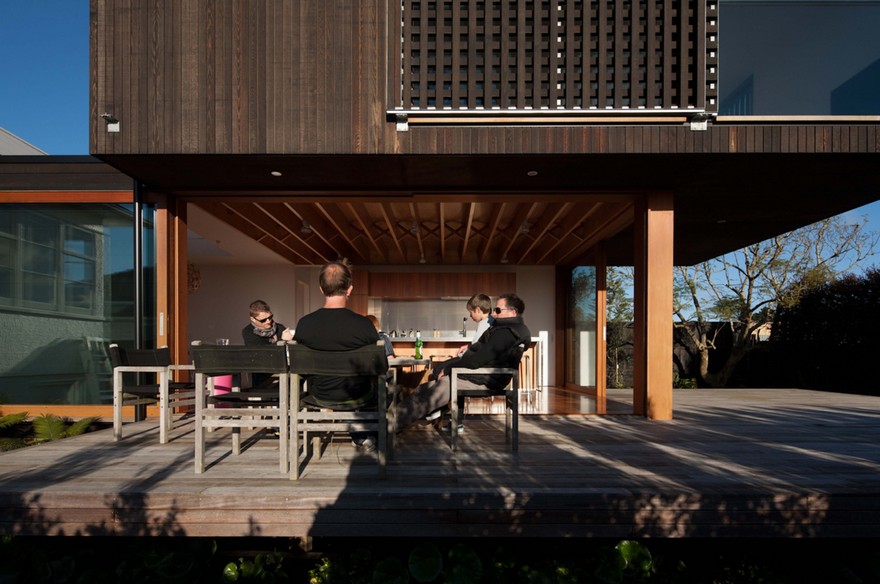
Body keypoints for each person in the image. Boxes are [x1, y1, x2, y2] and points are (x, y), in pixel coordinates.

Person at [393, 293, 531, 433]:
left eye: (498, 310)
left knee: (440, 388)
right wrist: (463, 354)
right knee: (424, 388)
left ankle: (390, 426)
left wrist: (449, 368)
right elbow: (481, 350)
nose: (493, 314)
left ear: (513, 312)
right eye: (494, 309)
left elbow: (479, 359)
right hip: (479, 373)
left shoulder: (507, 333)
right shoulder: (501, 329)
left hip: (486, 378)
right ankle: (392, 420)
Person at [293, 260, 381, 451]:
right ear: (349, 289)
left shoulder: (304, 324)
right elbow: (379, 367)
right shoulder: (364, 325)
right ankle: (369, 435)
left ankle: (362, 435)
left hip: (319, 395)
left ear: (321, 288)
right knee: (386, 389)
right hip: (359, 395)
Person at [241, 299, 292, 387]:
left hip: (282, 368)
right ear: (253, 319)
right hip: (262, 372)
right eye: (263, 320)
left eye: (270, 317)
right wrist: (282, 341)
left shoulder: (279, 327)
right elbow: (261, 352)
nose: (268, 321)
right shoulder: (249, 332)